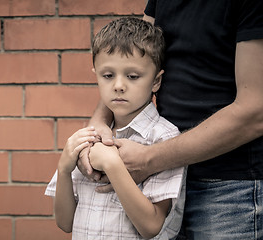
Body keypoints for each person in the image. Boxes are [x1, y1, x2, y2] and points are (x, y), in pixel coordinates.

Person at [78, 1, 263, 239]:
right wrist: (98, 124)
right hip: (162, 177)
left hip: (228, 188)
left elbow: (255, 111)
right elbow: (135, 55)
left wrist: (148, 159)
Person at [45, 18, 186, 239]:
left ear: (156, 81)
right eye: (108, 75)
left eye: (132, 76)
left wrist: (112, 164)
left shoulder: (164, 138)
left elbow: (151, 227)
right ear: (96, 76)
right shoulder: (89, 138)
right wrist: (63, 168)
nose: (119, 85)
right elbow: (64, 223)